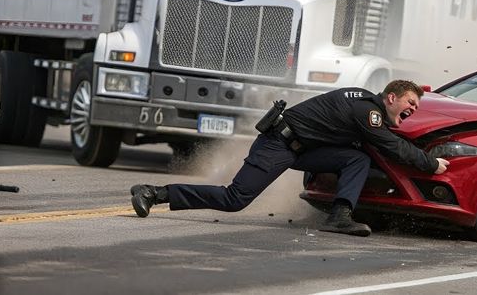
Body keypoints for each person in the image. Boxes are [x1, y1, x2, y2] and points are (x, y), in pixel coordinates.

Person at [130, 80, 449, 237]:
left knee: (356, 159)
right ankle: (154, 193)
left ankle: (339, 216)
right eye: (410, 103)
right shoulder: (368, 112)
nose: (412, 110)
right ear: (391, 97)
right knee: (235, 199)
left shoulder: (364, 101)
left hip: (302, 149)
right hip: (277, 145)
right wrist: (431, 164)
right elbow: (391, 145)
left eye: (416, 107)